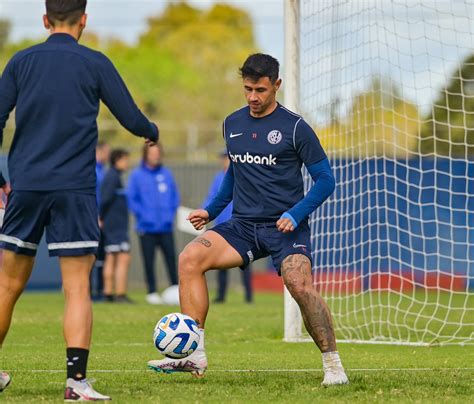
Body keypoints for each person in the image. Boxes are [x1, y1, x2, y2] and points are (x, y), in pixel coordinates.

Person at [147, 53, 349, 386]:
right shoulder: (232, 124)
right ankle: (193, 357)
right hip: (243, 226)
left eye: (260, 90)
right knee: (190, 259)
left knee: (299, 285)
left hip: (285, 227)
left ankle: (333, 366)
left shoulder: (296, 128)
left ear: (276, 86)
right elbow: (234, 175)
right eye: (247, 89)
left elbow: (326, 179)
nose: (253, 97)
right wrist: (211, 210)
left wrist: (296, 213)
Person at [0, 0, 158, 400]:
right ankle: (75, 382)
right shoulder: (95, 62)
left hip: (27, 187)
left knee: (6, 285)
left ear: (44, 20)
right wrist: (150, 130)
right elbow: (130, 117)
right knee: (77, 288)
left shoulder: (21, 62)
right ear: (84, 20)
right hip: (75, 189)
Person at [128, 143, 180, 305]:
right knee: (149, 261)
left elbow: (174, 197)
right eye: (152, 153)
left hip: (165, 226)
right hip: (146, 228)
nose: (156, 156)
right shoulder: (137, 175)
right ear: (146, 154)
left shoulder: (166, 174)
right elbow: (132, 198)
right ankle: (151, 292)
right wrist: (143, 216)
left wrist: (170, 215)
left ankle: (176, 290)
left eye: (158, 153)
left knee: (172, 260)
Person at [204, 150, 253, 303]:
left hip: (240, 225)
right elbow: (212, 198)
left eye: (227, 158)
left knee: (245, 262)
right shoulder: (218, 178)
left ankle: (248, 295)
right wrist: (204, 212)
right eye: (224, 158)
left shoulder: (243, 176)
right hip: (223, 226)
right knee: (220, 263)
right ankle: (221, 294)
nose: (225, 161)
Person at [100, 149, 133, 303]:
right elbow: (104, 200)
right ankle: (119, 294)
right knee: (121, 258)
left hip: (115, 225)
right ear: (118, 160)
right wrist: (100, 217)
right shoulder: (112, 177)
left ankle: (109, 294)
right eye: (125, 160)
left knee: (112, 258)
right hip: (115, 227)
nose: (127, 163)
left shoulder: (114, 176)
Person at [92, 141, 110, 300]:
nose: (108, 154)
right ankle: (89, 290)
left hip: (103, 219)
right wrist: (96, 215)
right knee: (91, 256)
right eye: (106, 151)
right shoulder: (93, 171)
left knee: (102, 257)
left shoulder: (104, 171)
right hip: (93, 219)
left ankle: (100, 290)